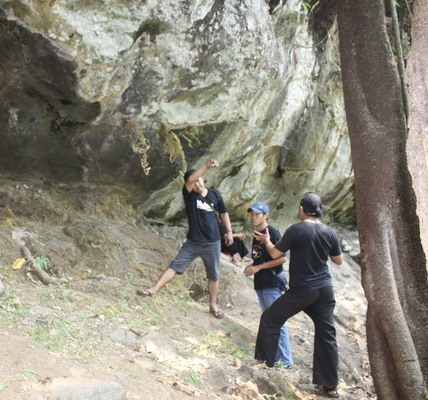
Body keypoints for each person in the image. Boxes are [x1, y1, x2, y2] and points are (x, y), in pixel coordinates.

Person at [253, 192, 343, 398]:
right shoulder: (329, 232)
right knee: (326, 334)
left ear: (302, 209)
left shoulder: (296, 229)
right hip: (324, 290)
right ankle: (329, 386)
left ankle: (265, 365)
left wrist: (267, 241)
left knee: (270, 318)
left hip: (303, 290)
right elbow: (338, 261)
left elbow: (276, 254)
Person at [136, 158, 234, 319]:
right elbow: (189, 180)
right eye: (194, 182)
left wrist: (229, 231)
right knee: (175, 265)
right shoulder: (190, 197)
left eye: (199, 181)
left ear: (204, 180)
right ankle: (153, 289)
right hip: (194, 242)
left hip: (212, 243)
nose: (197, 184)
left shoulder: (215, 194)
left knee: (213, 275)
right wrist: (206, 166)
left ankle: (213, 305)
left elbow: (223, 212)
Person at [243, 201, 293, 368]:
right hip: (262, 284)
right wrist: (252, 267)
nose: (253, 217)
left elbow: (282, 258)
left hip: (272, 283)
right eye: (252, 213)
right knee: (269, 320)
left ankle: (285, 361)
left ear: (266, 215)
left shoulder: (272, 232)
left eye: (257, 214)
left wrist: (258, 267)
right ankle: (271, 358)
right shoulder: (257, 233)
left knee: (277, 320)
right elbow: (260, 257)